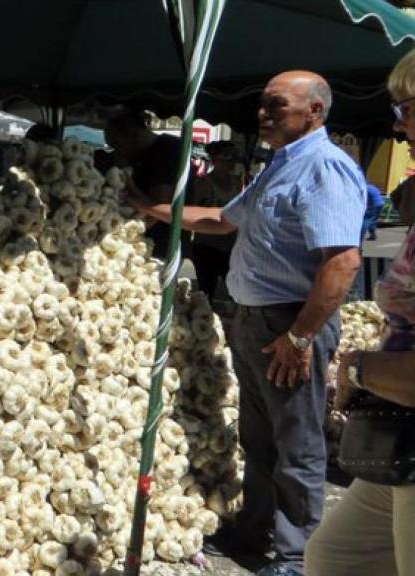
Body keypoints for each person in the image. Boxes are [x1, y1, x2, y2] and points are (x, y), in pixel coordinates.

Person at [126, 71, 365, 576]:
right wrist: (148, 207)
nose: (262, 114)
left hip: (291, 324)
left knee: (297, 445)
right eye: (262, 105)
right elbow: (221, 220)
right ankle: (254, 531)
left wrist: (299, 337)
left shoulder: (324, 169)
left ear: (314, 112)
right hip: (255, 323)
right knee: (259, 440)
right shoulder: (280, 167)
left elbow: (342, 263)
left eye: (276, 106)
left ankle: (299, 557)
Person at [304, 49, 415, 576]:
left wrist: (356, 369)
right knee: (336, 557)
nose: (397, 129)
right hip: (403, 440)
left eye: (407, 110)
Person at [104, 108, 188, 259]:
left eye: (117, 145)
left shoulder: (168, 149)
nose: (117, 152)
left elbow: (158, 208)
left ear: (134, 135)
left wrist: (128, 182)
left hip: (161, 245)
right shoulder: (139, 154)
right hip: (140, 242)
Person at [190, 141, 243, 301]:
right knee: (206, 292)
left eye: (234, 157)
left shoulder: (237, 182)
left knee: (235, 292)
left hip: (231, 247)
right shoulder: (204, 183)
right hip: (207, 247)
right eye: (227, 156)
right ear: (214, 159)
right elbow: (192, 213)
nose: (232, 161)